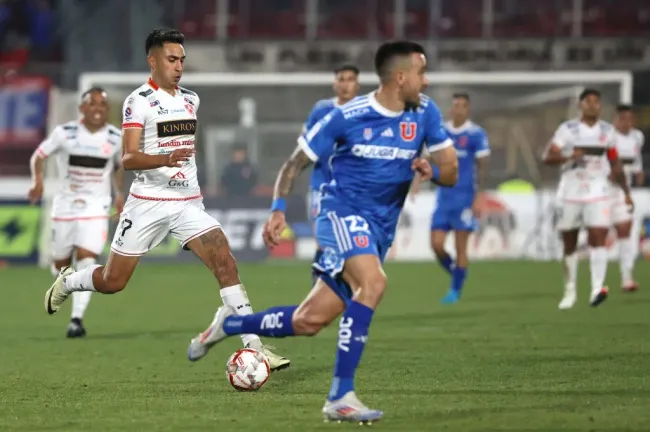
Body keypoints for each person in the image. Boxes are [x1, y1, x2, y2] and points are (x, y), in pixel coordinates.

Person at [187, 41, 458, 423]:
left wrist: (434, 171)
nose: (426, 80)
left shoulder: (426, 112)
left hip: (380, 229)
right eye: (421, 72)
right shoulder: (346, 117)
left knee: (308, 321)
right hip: (339, 214)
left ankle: (229, 325)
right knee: (375, 284)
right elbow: (293, 165)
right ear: (400, 77)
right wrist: (278, 210)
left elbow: (452, 171)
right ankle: (340, 396)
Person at [42, 28, 289, 371]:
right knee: (114, 282)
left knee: (224, 259)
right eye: (172, 59)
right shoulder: (138, 101)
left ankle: (256, 346)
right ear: (153, 60)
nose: (179, 66)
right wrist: (165, 160)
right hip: (147, 201)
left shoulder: (191, 99)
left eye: (182, 60)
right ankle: (69, 281)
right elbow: (128, 158)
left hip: (187, 202)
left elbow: (185, 146)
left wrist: (182, 167)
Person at [29, 87, 124, 338]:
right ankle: (64, 283)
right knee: (60, 265)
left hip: (96, 206)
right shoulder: (65, 133)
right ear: (82, 108)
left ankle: (76, 320)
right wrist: (37, 182)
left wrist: (119, 194)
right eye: (91, 104)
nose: (97, 109)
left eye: (102, 105)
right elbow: (39, 156)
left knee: (87, 258)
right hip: (66, 206)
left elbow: (118, 167)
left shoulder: (116, 137)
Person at [543, 89, 633, 309]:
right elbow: (548, 156)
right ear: (580, 105)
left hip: (598, 191)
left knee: (598, 235)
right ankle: (570, 290)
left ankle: (596, 289)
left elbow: (615, 163)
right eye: (588, 101)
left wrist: (626, 192)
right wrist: (568, 156)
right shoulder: (568, 130)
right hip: (570, 191)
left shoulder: (607, 131)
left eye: (596, 102)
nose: (593, 105)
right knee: (570, 242)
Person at [429, 93, 490, 304]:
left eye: (463, 106)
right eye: (455, 105)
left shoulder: (476, 134)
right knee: (436, 244)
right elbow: (427, 157)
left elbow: (483, 167)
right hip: (443, 198)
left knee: (460, 246)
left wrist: (479, 196)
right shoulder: (441, 132)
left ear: (468, 110)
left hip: (465, 197)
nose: (459, 109)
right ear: (451, 109)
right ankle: (457, 272)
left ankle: (454, 291)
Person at [303, 65, 360, 285]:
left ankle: (349, 288)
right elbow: (306, 143)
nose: (345, 84)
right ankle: (318, 289)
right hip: (322, 186)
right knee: (323, 241)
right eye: (341, 79)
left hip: (353, 189)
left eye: (350, 79)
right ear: (335, 84)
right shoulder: (322, 110)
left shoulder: (365, 112)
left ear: (357, 84)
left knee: (352, 244)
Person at [610, 104, 644, 292]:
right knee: (596, 234)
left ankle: (627, 278)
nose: (628, 123)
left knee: (625, 230)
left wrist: (638, 171)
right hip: (602, 191)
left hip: (623, 191)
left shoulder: (637, 136)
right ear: (617, 119)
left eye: (631, 119)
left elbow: (636, 157)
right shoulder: (608, 137)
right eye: (624, 119)